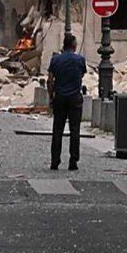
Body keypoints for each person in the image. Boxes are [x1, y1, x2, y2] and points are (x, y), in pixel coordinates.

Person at [46, 33, 86, 171]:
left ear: (64, 45)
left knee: (57, 129)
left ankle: (55, 161)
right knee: (75, 130)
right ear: (74, 46)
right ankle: (73, 161)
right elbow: (81, 75)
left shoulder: (55, 59)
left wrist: (51, 97)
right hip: (75, 97)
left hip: (60, 97)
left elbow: (50, 80)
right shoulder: (80, 60)